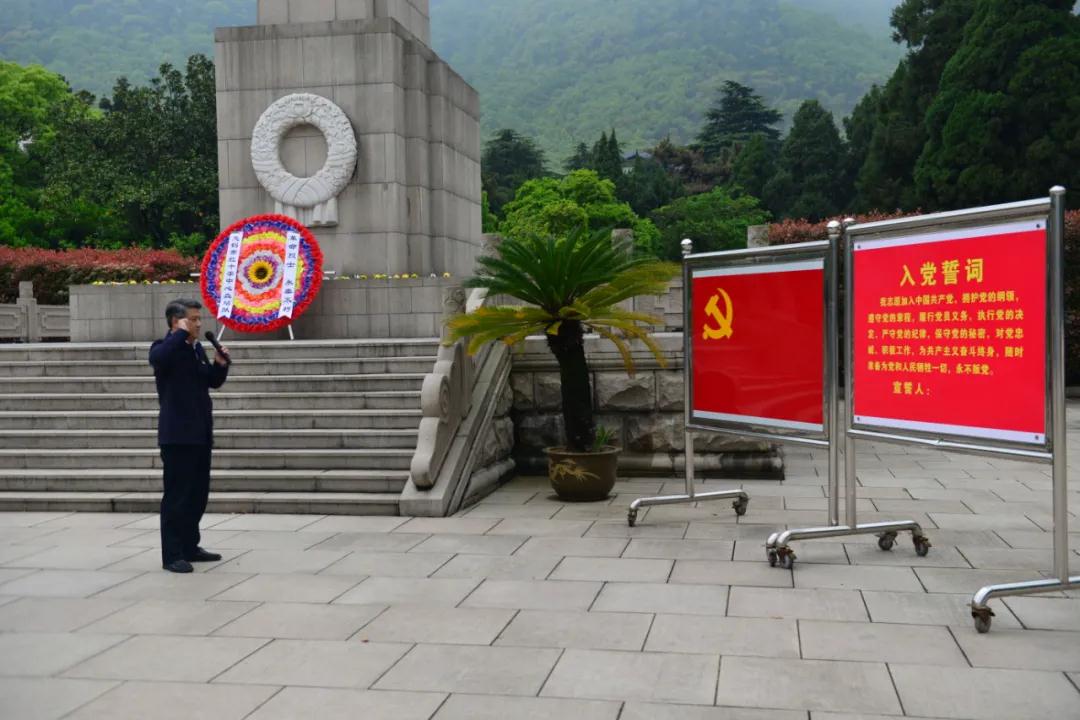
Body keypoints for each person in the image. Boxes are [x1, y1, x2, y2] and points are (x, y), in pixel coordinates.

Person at [149, 299, 231, 573]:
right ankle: (172, 554)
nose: (198, 324)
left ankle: (189, 546)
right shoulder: (163, 348)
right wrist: (180, 335)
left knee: (197, 495)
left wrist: (219, 365)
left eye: (198, 319)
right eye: (193, 319)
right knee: (177, 497)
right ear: (177, 321)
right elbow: (158, 359)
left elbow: (210, 381)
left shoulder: (196, 350)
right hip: (177, 436)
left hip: (200, 434)